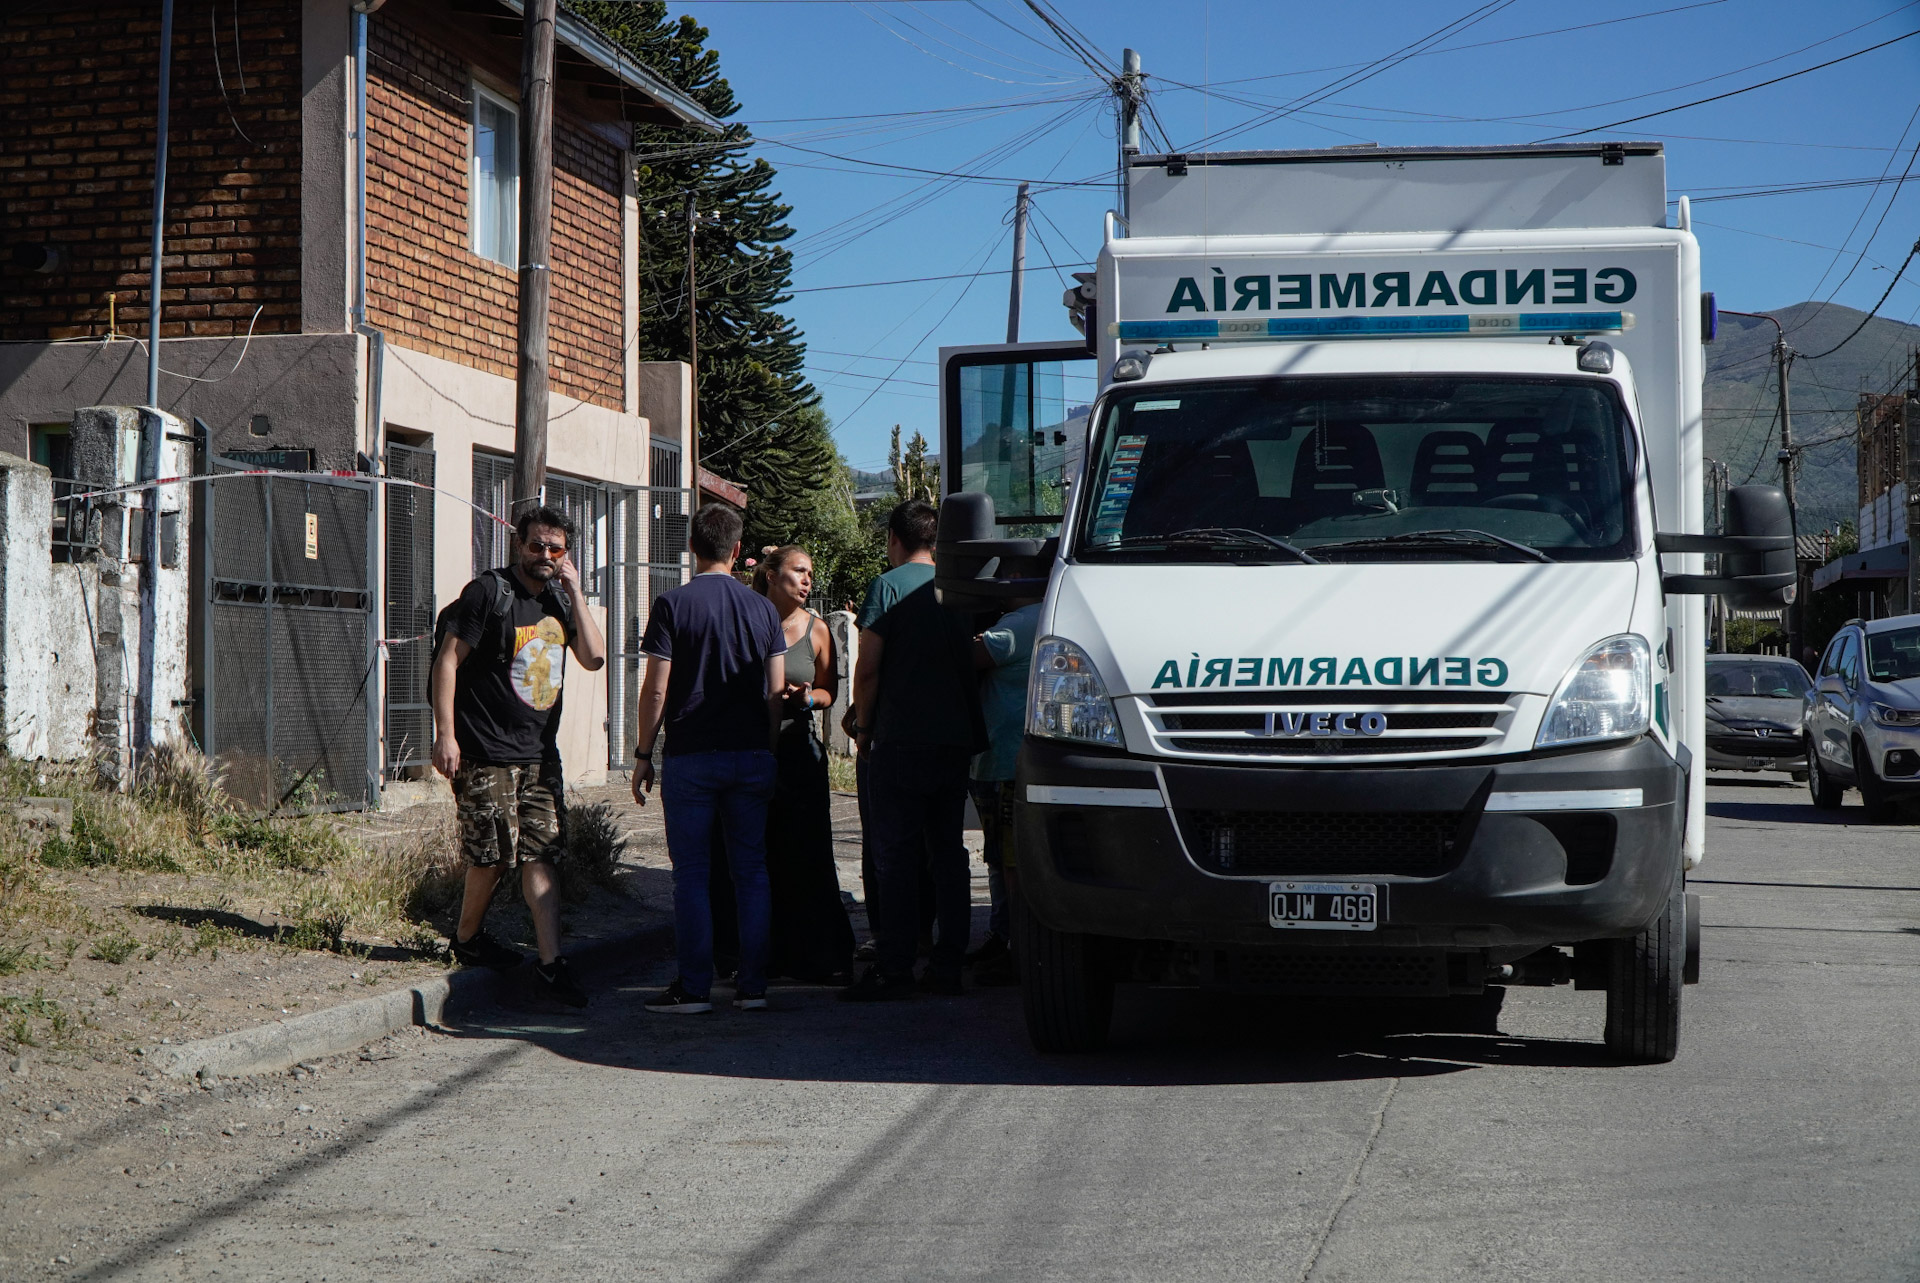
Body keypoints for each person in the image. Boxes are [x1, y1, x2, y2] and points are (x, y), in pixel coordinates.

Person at [431, 506, 607, 1008]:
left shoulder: (559, 598)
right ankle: (467, 940)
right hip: (484, 749)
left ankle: (552, 966)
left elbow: (593, 657)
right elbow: (448, 660)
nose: (546, 556)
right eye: (537, 546)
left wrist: (574, 590)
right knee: (490, 855)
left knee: (542, 853)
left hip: (538, 756)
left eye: (556, 549)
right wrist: (447, 734)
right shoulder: (489, 592)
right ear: (518, 544)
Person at [631, 502, 787, 1014]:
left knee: (692, 875)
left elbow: (656, 690)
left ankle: (694, 988)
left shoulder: (672, 604)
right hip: (750, 754)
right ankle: (754, 986)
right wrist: (770, 748)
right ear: (738, 550)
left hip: (692, 756)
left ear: (691, 548)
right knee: (753, 871)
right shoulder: (764, 609)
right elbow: (775, 690)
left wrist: (643, 753)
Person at [841, 500, 983, 1002]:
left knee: (896, 856)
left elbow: (869, 668)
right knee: (949, 854)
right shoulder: (959, 589)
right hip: (954, 739)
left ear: (894, 540)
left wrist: (862, 725)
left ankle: (895, 966)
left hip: (901, 741)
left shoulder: (887, 585)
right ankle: (948, 966)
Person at [752, 546, 857, 980]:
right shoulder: (751, 620)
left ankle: (821, 956)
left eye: (811, 573)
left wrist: (809, 697)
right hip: (753, 750)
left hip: (799, 751)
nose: (807, 580)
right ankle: (765, 954)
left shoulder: (816, 629)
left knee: (809, 851)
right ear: (773, 576)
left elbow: (831, 689)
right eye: (799, 571)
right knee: (763, 851)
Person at [966, 585, 1043, 987]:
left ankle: (1014, 944)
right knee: (1001, 857)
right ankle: (1003, 936)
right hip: (1011, 758)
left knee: (1009, 861)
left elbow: (967, 656)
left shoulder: (1018, 623)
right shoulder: (1049, 615)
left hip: (1002, 762)